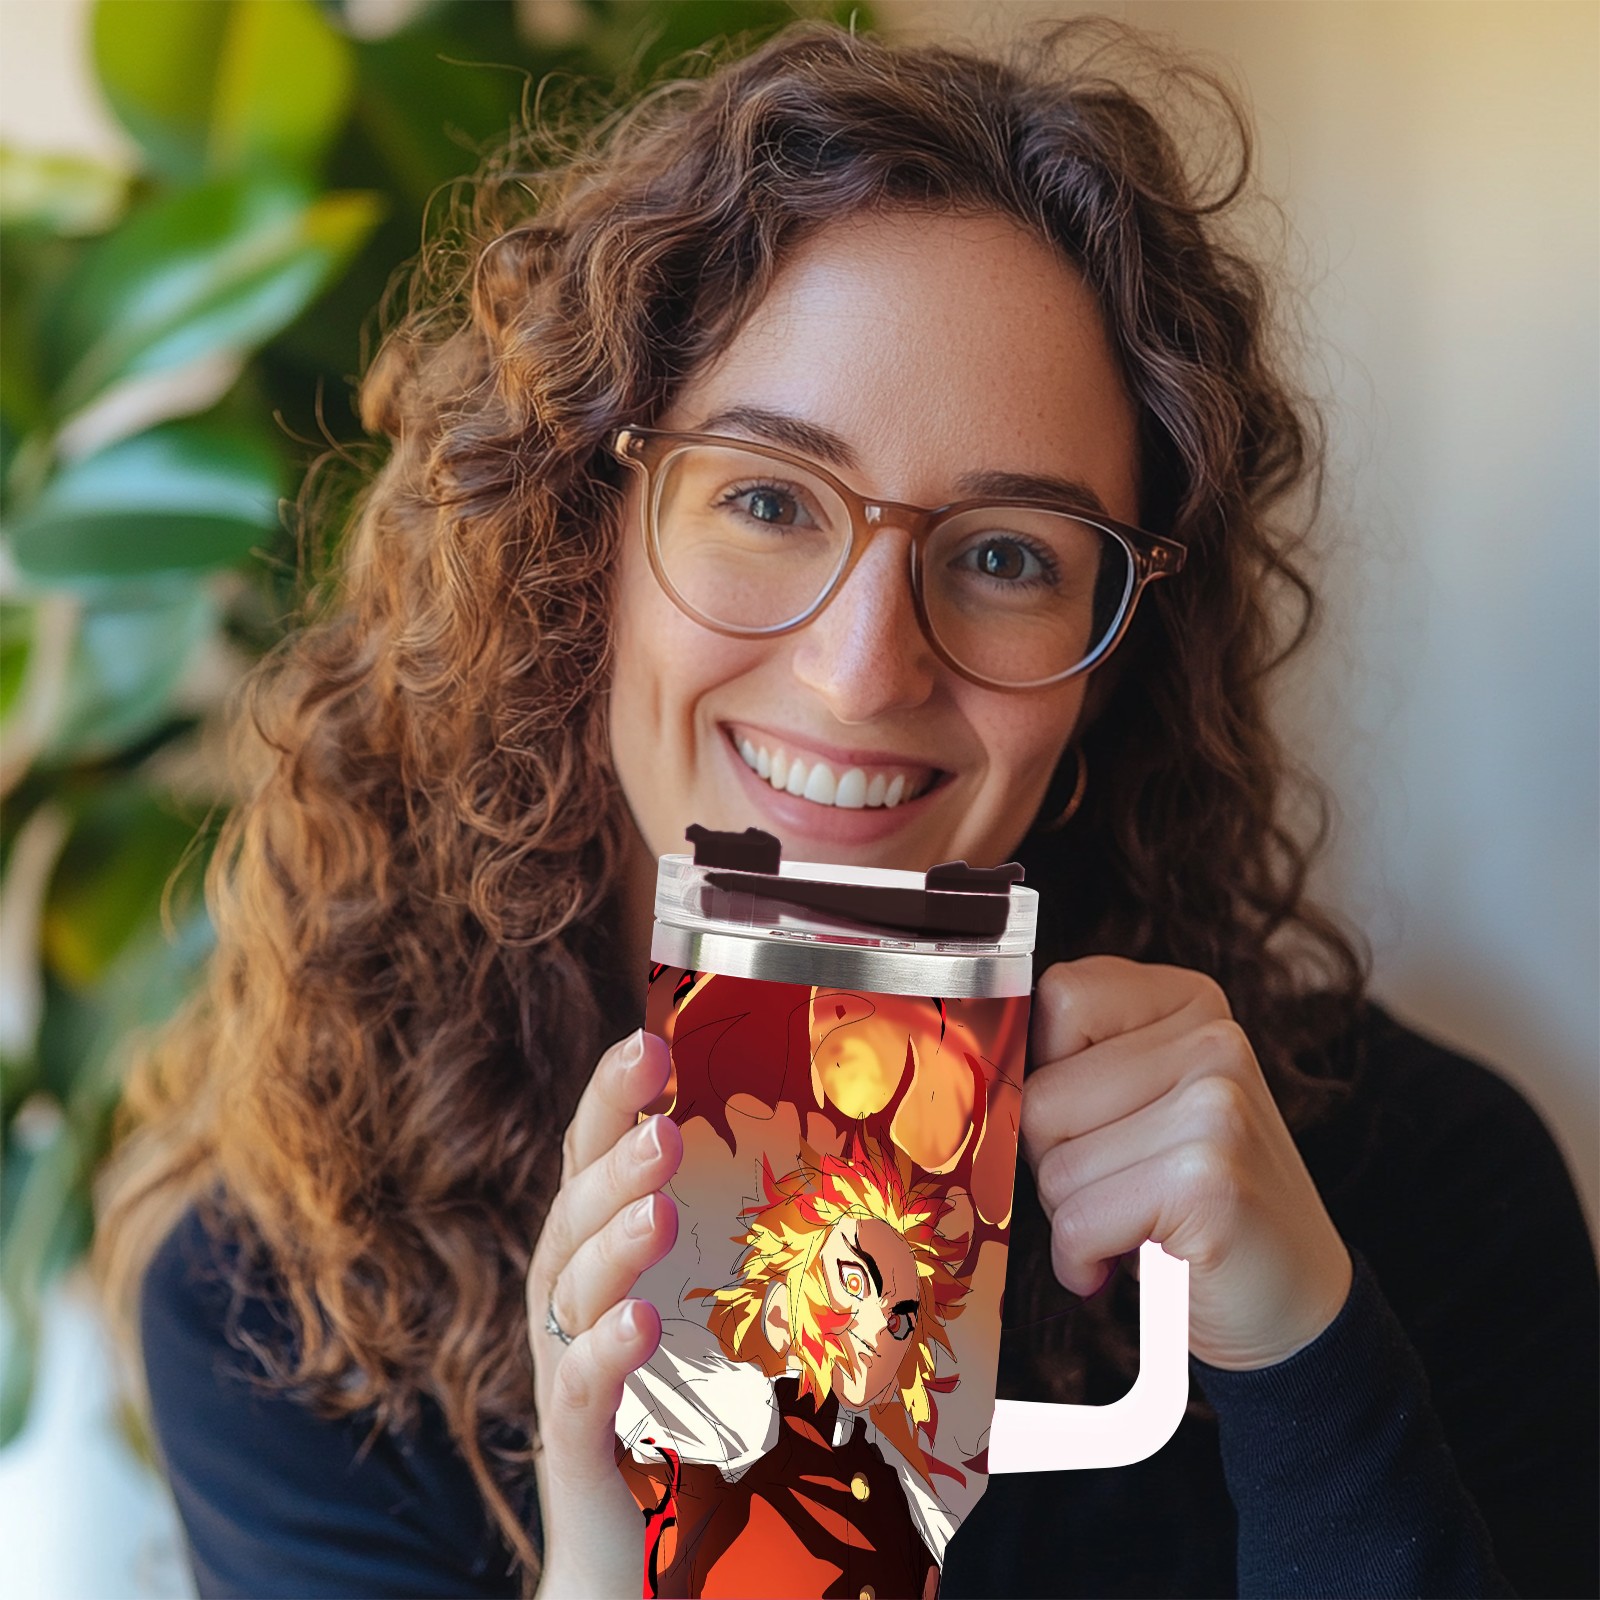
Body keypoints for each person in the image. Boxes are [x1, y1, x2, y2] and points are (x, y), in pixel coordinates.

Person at [93, 16, 1598, 1600]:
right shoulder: (291, 1300)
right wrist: (609, 1553)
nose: (864, 671)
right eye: (765, 499)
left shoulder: (1419, 1192)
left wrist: (1305, 1367)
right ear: (581, 546)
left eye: (1007, 554)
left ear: (1113, 663)